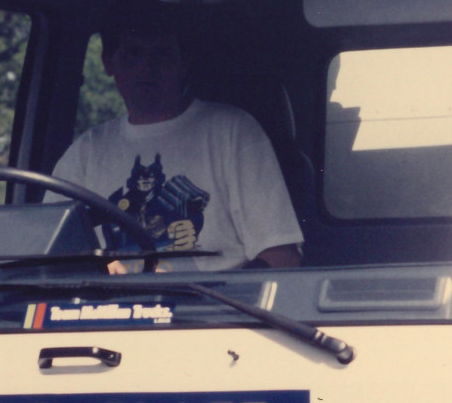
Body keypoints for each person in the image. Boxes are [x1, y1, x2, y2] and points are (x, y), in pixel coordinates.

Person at [54, 16, 304, 268]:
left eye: (162, 54)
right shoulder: (85, 152)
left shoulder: (233, 132)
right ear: (109, 63)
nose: (146, 67)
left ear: (184, 62)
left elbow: (281, 256)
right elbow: (47, 256)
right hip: (104, 306)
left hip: (210, 304)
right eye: (133, 53)